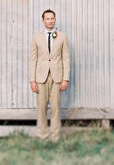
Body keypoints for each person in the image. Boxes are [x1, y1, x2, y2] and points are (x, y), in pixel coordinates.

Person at [29, 9, 70, 141]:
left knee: (55, 108)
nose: (50, 21)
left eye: (52, 18)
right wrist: (32, 80)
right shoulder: (36, 37)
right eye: (47, 18)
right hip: (40, 78)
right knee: (41, 109)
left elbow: (66, 58)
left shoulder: (62, 36)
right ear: (43, 21)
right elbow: (33, 59)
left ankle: (55, 138)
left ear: (55, 20)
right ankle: (42, 137)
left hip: (57, 77)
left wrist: (65, 78)